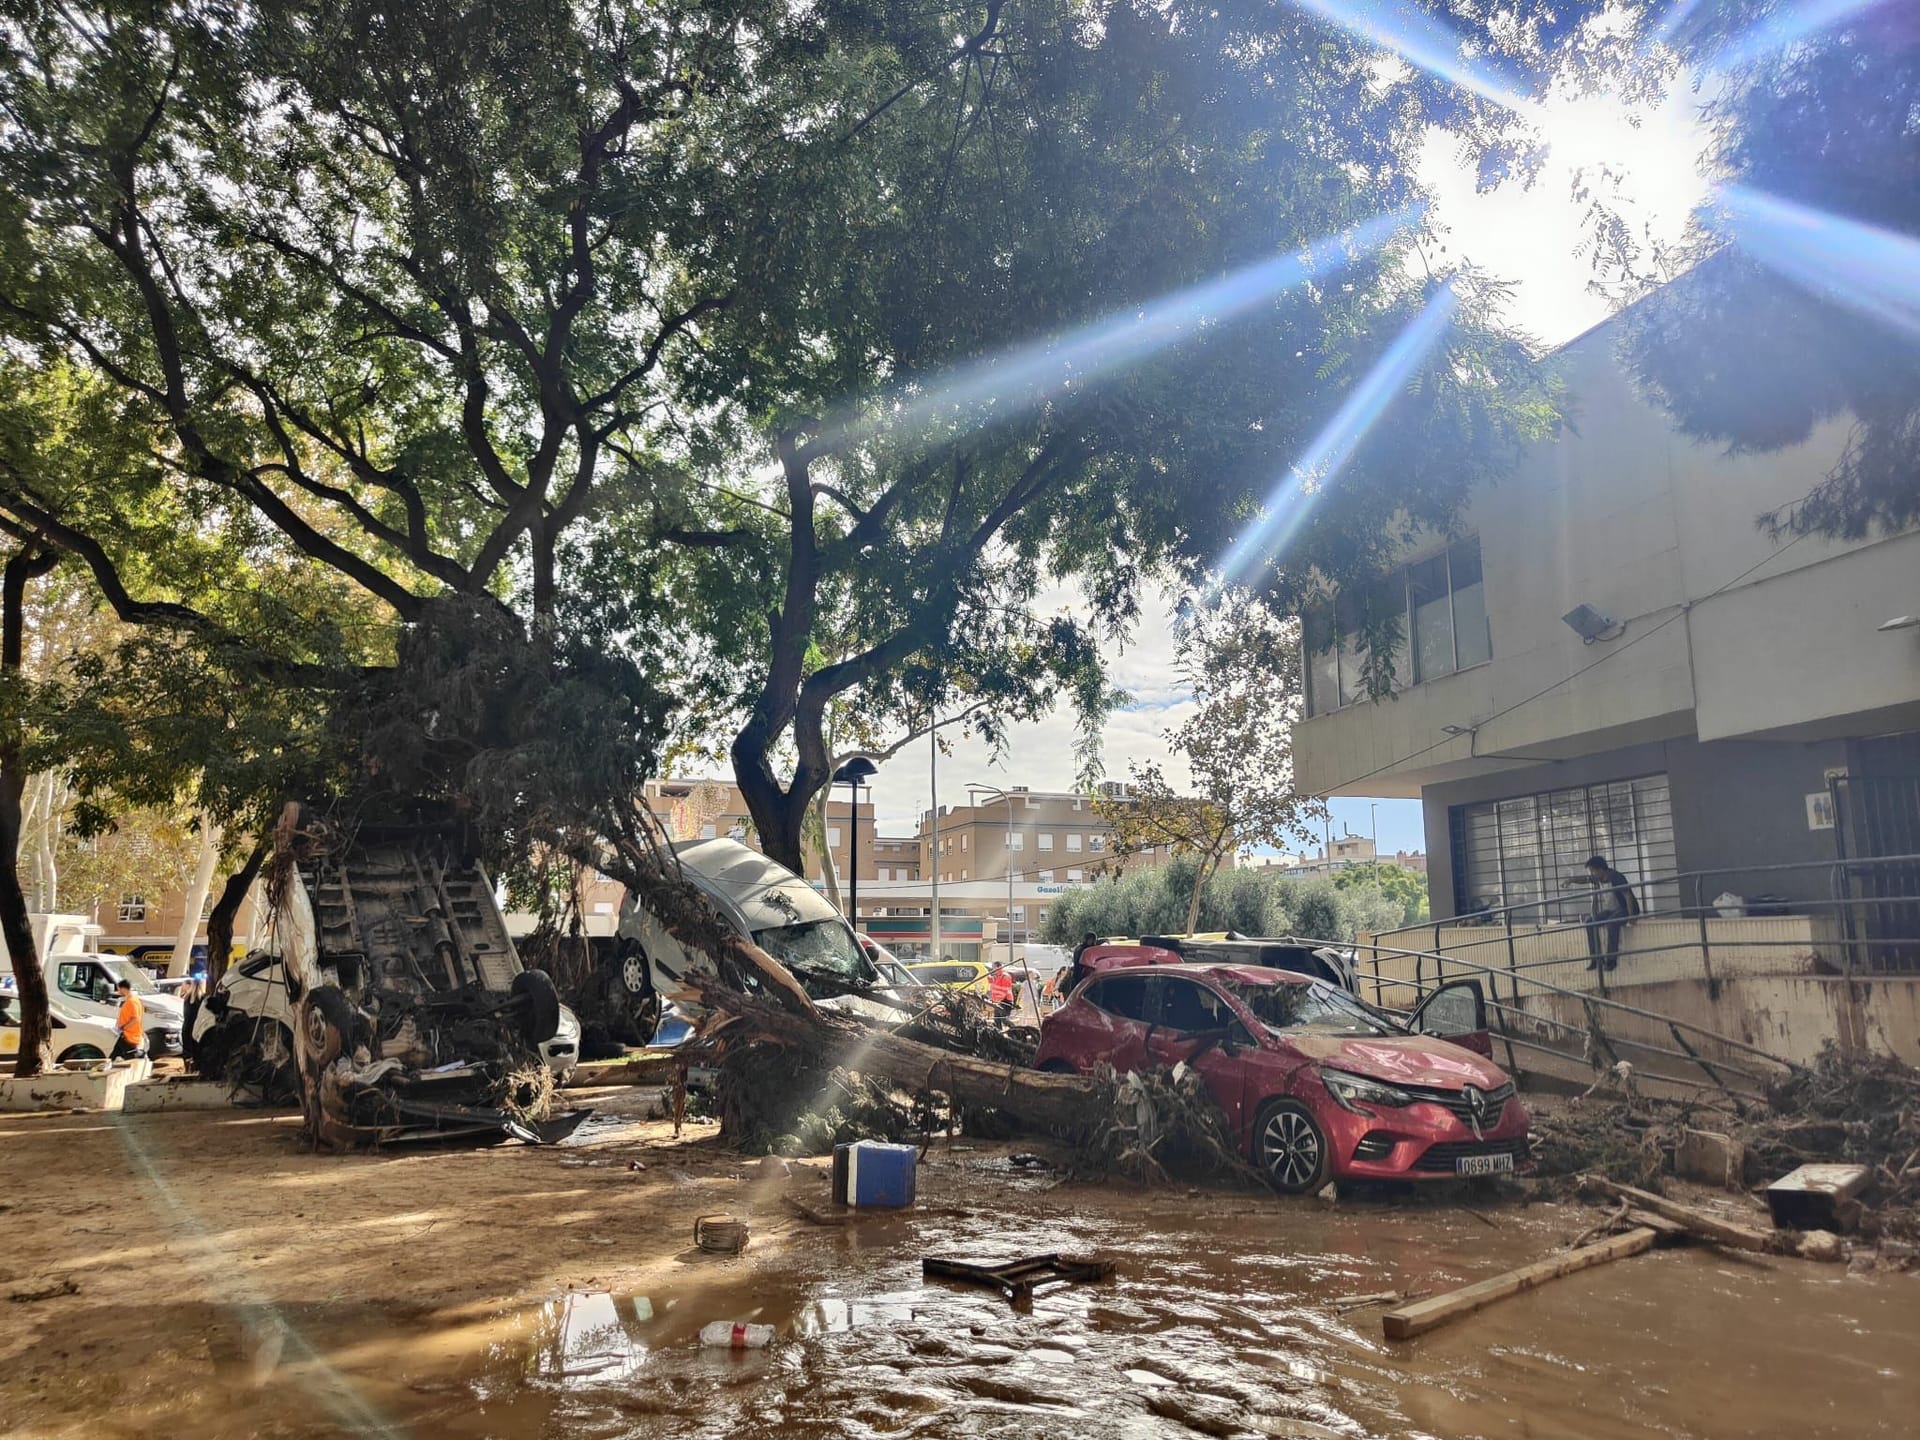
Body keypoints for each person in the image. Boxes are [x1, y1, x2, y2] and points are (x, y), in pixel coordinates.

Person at [1584, 855, 1641, 973]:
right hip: (1611, 910)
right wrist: (1570, 881)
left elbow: (1628, 896)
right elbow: (1584, 879)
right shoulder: (1599, 878)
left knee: (1611, 923)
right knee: (1590, 922)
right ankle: (1597, 958)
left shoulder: (1616, 877)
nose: (1592, 874)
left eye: (1593, 871)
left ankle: (1611, 960)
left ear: (1600, 869)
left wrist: (1631, 916)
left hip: (1625, 908)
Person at [111, 978, 148, 1060]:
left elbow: (135, 1019)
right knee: (114, 1056)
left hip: (130, 1036)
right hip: (127, 1035)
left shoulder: (132, 1001)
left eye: (119, 989)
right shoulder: (134, 1000)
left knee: (131, 1058)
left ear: (123, 988)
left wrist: (124, 1028)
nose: (118, 991)